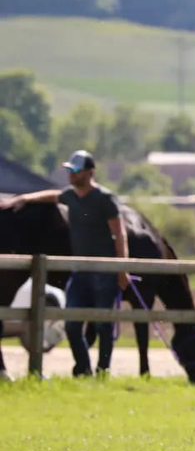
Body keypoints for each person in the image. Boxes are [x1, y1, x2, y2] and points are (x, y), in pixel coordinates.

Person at [0, 150, 129, 377]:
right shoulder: (71, 195)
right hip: (79, 270)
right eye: (70, 170)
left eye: (76, 171)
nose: (71, 174)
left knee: (103, 323)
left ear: (90, 173)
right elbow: (53, 195)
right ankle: (83, 368)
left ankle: (103, 369)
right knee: (71, 324)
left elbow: (120, 234)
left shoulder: (105, 199)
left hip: (104, 271)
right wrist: (23, 198)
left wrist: (122, 267)